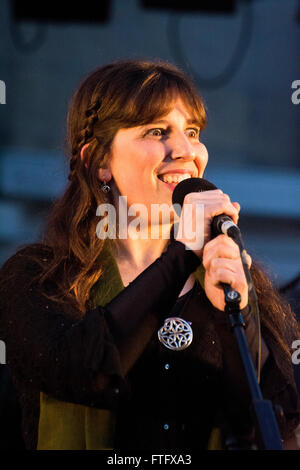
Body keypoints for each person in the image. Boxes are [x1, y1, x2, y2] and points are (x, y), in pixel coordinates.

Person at [0, 59, 299, 451]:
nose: (185, 150)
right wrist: (180, 256)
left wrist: (239, 315)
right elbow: (84, 371)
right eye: (157, 131)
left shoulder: (231, 277)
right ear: (98, 161)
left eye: (192, 131)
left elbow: (274, 427)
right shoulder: (39, 276)